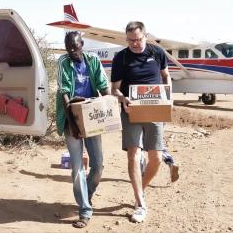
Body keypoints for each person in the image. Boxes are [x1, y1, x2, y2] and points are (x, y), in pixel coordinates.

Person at [111, 21, 172, 223]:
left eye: (138, 39)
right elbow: (115, 89)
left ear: (145, 35)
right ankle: (140, 203)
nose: (135, 44)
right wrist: (123, 99)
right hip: (131, 111)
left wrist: (168, 95)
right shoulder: (121, 57)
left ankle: (141, 188)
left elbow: (166, 75)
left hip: (155, 109)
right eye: (130, 40)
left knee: (156, 158)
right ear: (126, 39)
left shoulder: (158, 53)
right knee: (134, 155)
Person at [56, 31, 110, 229]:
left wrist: (109, 108)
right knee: (77, 167)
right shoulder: (63, 62)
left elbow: (104, 86)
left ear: (82, 44)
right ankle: (85, 210)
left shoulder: (93, 60)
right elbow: (64, 93)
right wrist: (73, 123)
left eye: (75, 47)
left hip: (92, 115)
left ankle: (87, 194)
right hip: (72, 114)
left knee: (98, 166)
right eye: (68, 47)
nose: (71, 51)